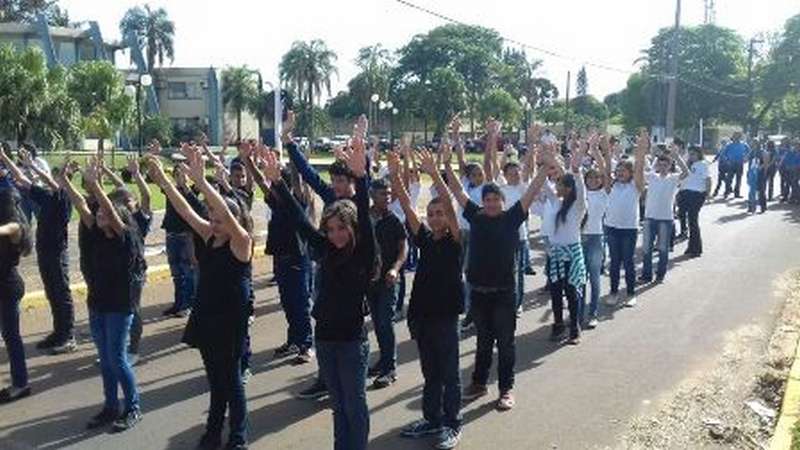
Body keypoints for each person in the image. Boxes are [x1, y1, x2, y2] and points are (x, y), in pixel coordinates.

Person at [262, 120, 375, 450]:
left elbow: (365, 218)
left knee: (355, 406)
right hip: (325, 339)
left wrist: (363, 176)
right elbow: (300, 219)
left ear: (352, 230)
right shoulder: (324, 246)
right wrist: (278, 182)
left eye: (343, 229)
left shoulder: (362, 252)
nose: (336, 235)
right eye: (331, 229)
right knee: (339, 408)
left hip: (352, 342)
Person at [146, 145, 253, 450]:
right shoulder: (208, 236)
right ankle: (212, 432)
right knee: (215, 381)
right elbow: (185, 211)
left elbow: (230, 222)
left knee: (232, 382)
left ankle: (238, 436)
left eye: (220, 219)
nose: (214, 222)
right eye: (213, 218)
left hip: (230, 322)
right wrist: (164, 182)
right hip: (206, 318)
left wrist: (204, 182)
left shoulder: (241, 244)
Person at [445, 130, 547, 411]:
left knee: (505, 344)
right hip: (478, 293)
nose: (490, 203)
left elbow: (531, 191)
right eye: (487, 199)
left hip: (504, 293)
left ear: (502, 202)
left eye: (495, 200)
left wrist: (544, 165)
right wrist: (442, 164)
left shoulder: (512, 217)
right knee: (482, 341)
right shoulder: (475, 215)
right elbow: (456, 189)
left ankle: (506, 389)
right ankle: (478, 383)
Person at [58, 158, 144, 432]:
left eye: (104, 214)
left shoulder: (125, 236)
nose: (98, 215)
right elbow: (82, 206)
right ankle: (110, 406)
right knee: (106, 360)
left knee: (117, 358)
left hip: (120, 306)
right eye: (98, 214)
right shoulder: (96, 231)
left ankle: (133, 407)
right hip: (98, 304)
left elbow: (109, 211)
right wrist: (65, 181)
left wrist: (96, 187)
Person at [287, 113, 365, 401]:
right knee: (323, 320)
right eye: (334, 180)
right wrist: (290, 144)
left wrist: (360, 142)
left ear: (352, 181)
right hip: (327, 268)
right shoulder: (331, 195)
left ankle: (351, 379)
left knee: (349, 332)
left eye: (342, 180)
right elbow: (308, 174)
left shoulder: (359, 204)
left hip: (353, 275)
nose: (336, 186)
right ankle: (325, 378)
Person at [390, 150, 464, 449]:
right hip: (421, 317)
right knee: (430, 372)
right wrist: (395, 175)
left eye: (440, 214)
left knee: (449, 373)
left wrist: (434, 174)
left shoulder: (455, 241)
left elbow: (449, 202)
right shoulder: (425, 239)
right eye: (431, 214)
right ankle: (432, 419)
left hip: (445, 317)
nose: (435, 217)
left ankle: (452, 422)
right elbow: (408, 207)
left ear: (449, 218)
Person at [241, 142, 315, 365]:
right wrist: (248, 161)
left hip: (298, 260)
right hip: (280, 260)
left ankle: (306, 345)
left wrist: (293, 159)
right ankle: (294, 340)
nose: (271, 187)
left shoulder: (298, 201)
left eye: (276, 183)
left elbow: (296, 180)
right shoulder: (275, 201)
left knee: (300, 304)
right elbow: (263, 184)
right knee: (288, 303)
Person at [0, 149, 75, 354]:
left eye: (61, 178)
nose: (55, 180)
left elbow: (53, 183)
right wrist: (5, 158)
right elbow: (22, 179)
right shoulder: (47, 197)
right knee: (52, 293)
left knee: (61, 293)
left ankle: (68, 336)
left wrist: (39, 169)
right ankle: (58, 332)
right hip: (45, 252)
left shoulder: (65, 200)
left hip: (57, 254)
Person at [102, 155, 152, 366]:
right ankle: (119, 349)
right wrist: (105, 171)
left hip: (135, 273)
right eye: (122, 201)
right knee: (117, 311)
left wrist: (137, 174)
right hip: (116, 272)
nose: (128, 202)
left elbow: (147, 196)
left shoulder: (139, 219)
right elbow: (120, 188)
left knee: (133, 310)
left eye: (129, 200)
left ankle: (134, 350)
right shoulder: (118, 218)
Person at [367, 177, 407, 389]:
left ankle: (389, 368)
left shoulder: (394, 220)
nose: (388, 197)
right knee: (377, 323)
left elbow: (403, 249)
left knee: (385, 322)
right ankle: (382, 360)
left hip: (389, 281)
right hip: (369, 282)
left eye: (390, 194)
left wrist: (395, 268)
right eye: (384, 194)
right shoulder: (364, 218)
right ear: (372, 195)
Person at [605, 130, 647, 307]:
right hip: (612, 228)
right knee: (614, 262)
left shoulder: (635, 187)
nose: (620, 173)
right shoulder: (612, 185)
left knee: (628, 262)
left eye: (624, 170)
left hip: (629, 230)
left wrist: (640, 152)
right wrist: (606, 150)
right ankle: (614, 292)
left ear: (630, 173)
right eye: (618, 170)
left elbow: (639, 169)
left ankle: (630, 293)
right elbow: (606, 166)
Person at [0, 187, 33, 404]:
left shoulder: (15, 225)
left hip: (7, 287)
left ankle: (21, 384)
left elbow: (13, 228)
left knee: (12, 337)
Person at [640, 146, 688, 284]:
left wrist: (677, 157)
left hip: (666, 219)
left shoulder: (673, 178)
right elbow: (640, 171)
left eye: (665, 164)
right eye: (660, 164)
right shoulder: (652, 177)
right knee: (647, 250)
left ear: (670, 165)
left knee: (663, 250)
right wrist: (652, 157)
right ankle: (646, 275)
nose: (662, 166)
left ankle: (660, 275)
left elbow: (686, 172)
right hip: (649, 218)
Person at [581, 140, 610, 330]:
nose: (593, 180)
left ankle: (592, 313)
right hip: (579, 239)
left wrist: (595, 151)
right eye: (590, 178)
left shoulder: (604, 193)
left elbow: (605, 171)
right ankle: (577, 312)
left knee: (594, 277)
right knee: (579, 278)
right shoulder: (580, 193)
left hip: (596, 238)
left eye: (596, 178)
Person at [677, 146, 711, 257]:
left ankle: (696, 248)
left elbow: (708, 179)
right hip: (685, 193)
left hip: (697, 194)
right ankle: (691, 246)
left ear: (699, 154)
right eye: (690, 154)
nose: (691, 156)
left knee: (693, 220)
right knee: (686, 218)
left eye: (693, 154)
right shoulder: (688, 165)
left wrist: (708, 194)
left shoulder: (702, 164)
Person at [721, 132, 751, 198]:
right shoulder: (729, 145)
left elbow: (749, 152)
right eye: (735, 136)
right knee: (729, 179)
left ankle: (736, 193)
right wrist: (727, 160)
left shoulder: (744, 144)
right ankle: (726, 192)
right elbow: (723, 154)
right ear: (733, 137)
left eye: (738, 136)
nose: (736, 138)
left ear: (740, 137)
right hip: (731, 164)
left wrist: (746, 158)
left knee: (738, 179)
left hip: (740, 164)